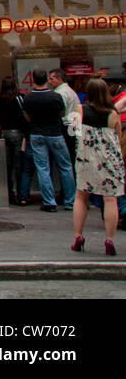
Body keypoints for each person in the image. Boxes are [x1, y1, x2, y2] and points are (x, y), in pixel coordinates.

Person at [72, 79, 124, 255]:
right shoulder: (113, 114)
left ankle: (78, 236)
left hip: (87, 159)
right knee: (110, 199)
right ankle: (109, 240)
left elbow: (73, 132)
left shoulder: (80, 110)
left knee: (81, 197)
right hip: (109, 160)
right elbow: (117, 136)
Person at [25, 69, 76, 212]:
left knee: (43, 168)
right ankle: (70, 202)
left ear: (33, 80)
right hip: (55, 133)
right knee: (65, 166)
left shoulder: (28, 98)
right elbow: (62, 113)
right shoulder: (55, 96)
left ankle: (49, 201)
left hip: (37, 133)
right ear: (46, 80)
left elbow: (27, 117)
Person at [0, 76, 28, 206]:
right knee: (18, 165)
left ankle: (8, 193)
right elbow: (23, 117)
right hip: (17, 133)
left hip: (4, 133)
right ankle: (21, 194)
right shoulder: (19, 98)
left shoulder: (0, 101)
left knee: (6, 166)